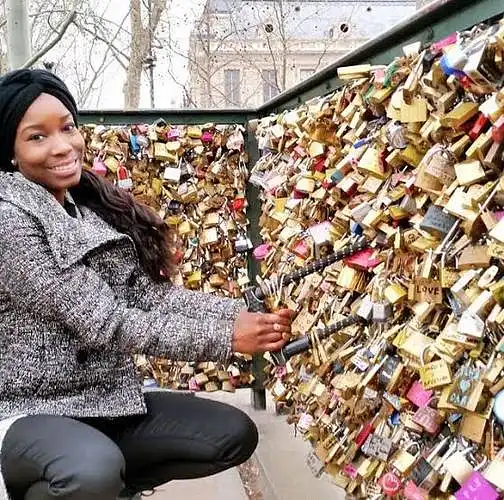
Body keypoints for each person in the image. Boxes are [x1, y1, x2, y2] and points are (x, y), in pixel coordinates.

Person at [0, 69, 294, 500]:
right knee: (89, 471)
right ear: (10, 151)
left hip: (103, 400)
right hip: (27, 409)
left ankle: (109, 488)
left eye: (67, 128)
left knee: (229, 433)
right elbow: (104, 323)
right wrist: (225, 337)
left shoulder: (81, 208)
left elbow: (145, 296)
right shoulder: (9, 218)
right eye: (37, 137)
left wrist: (239, 317)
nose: (62, 146)